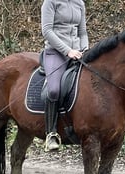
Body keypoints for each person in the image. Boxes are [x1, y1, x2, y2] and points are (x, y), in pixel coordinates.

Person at [41, 0, 89, 151]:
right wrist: (68, 51)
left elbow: (82, 32)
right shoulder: (50, 2)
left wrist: (85, 49)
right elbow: (47, 31)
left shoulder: (79, 3)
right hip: (55, 53)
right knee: (54, 89)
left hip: (77, 53)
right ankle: (51, 134)